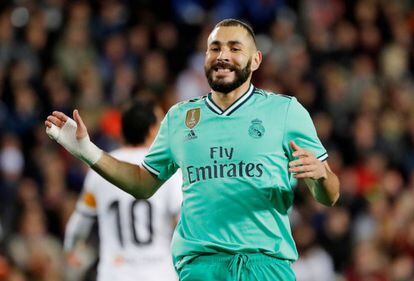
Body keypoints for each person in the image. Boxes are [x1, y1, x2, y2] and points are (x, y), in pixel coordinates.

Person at [45, 19, 340, 281]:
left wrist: (321, 176)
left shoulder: (285, 111)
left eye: (235, 48)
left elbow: (330, 195)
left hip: (264, 265)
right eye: (215, 48)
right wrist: (87, 150)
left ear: (255, 60)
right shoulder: (179, 118)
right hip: (200, 269)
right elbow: (141, 183)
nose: (222, 55)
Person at [63, 99, 182, 281]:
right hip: (159, 272)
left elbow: (80, 223)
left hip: (115, 273)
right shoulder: (168, 170)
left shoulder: (101, 169)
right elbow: (183, 220)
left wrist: (70, 249)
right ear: (152, 130)